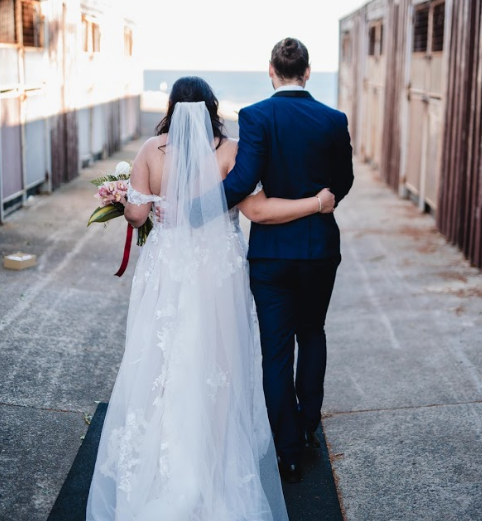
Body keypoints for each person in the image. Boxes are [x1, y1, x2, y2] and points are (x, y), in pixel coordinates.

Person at [86, 76, 335, 521]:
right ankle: (215, 455)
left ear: (171, 107)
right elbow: (253, 207)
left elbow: (138, 214)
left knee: (163, 359)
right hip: (218, 267)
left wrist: (127, 196)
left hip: (169, 263)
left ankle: (165, 461)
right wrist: (315, 203)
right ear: (212, 107)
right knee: (218, 360)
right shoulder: (231, 150)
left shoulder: (150, 150)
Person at [219, 37, 354, 484]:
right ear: (308, 72)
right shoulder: (333, 120)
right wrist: (319, 199)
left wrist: (193, 206)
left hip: (271, 255)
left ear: (271, 72)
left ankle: (288, 450)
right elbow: (342, 183)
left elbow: (241, 181)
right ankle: (309, 425)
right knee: (312, 333)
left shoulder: (256, 116)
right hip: (319, 250)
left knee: (275, 351)